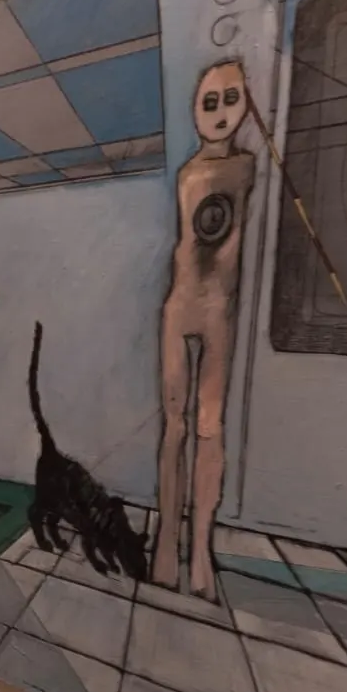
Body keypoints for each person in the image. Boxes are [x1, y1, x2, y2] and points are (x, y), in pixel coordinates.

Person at [151, 60, 254, 602]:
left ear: (247, 105)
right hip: (181, 308)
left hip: (219, 312)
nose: (219, 112)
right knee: (175, 428)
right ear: (195, 110)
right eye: (209, 102)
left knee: (210, 429)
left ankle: (200, 550)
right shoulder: (189, 173)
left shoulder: (247, 167)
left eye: (231, 99)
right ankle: (167, 543)